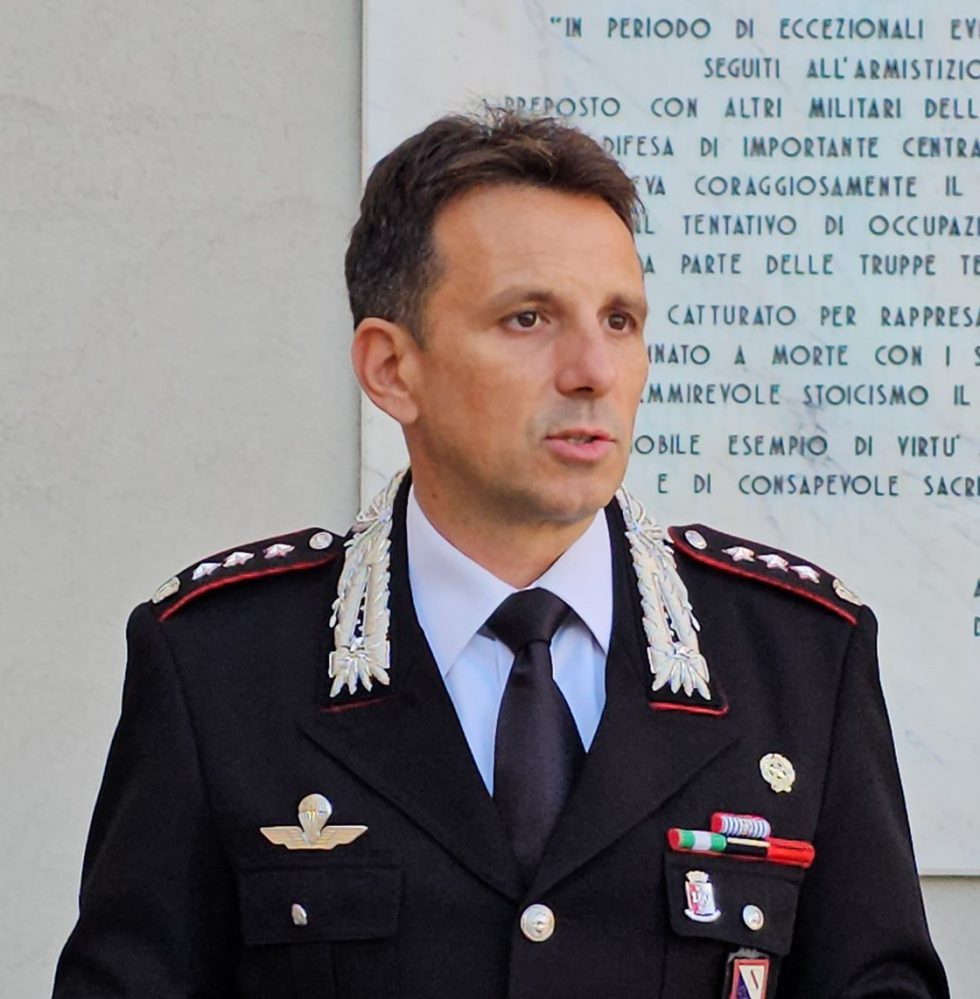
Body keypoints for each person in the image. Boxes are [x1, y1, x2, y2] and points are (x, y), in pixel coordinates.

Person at [53, 109, 948, 998]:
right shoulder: (220, 663)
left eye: (621, 320)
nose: (593, 370)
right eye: (528, 318)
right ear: (391, 367)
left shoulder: (798, 656)